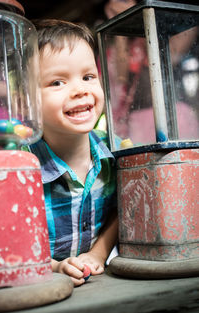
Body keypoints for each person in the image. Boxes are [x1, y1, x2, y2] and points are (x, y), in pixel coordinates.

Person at [25, 19, 121, 286]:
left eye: (88, 77)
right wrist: (55, 267)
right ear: (26, 98)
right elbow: (12, 235)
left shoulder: (114, 154)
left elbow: (121, 209)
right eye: (57, 82)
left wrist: (97, 254)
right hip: (39, 286)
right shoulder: (22, 167)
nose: (80, 90)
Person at [101, 0, 199, 143]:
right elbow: (121, 78)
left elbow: (167, 57)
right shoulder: (123, 48)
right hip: (138, 120)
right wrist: (119, 23)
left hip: (173, 115)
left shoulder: (169, 30)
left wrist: (143, 15)